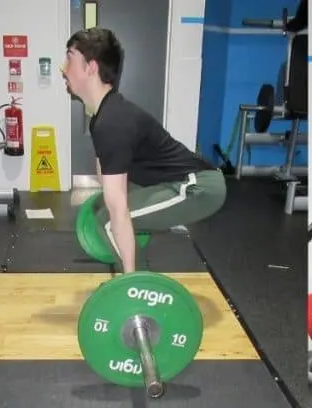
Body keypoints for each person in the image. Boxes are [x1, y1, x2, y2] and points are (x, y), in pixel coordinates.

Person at [62, 28, 226, 273]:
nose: (62, 68)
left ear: (90, 68)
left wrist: (119, 214)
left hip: (197, 187)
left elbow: (117, 209)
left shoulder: (112, 121)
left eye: (69, 58)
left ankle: (136, 289)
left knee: (108, 220)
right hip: (175, 182)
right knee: (104, 211)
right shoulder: (103, 116)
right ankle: (136, 278)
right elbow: (107, 182)